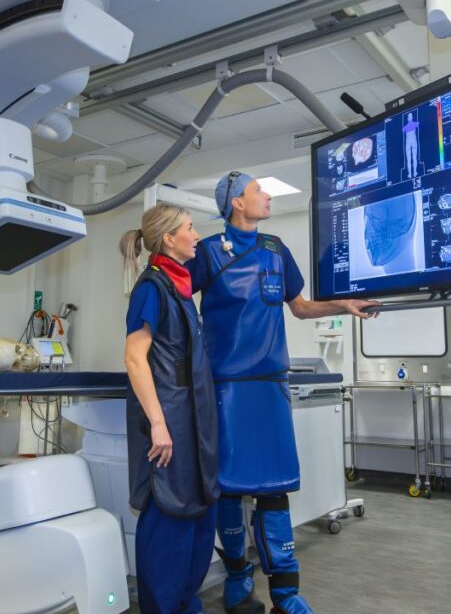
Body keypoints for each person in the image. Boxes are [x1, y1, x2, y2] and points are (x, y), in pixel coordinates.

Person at [186, 171, 379, 614]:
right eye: (258, 190)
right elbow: (175, 300)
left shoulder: (275, 250)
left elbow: (300, 306)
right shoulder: (209, 253)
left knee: (275, 488)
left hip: (270, 387)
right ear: (237, 202)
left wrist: (343, 305)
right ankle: (237, 578)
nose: (267, 195)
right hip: (227, 388)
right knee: (230, 490)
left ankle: (286, 594)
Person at [121, 204, 219, 614]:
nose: (196, 236)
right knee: (168, 521)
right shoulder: (151, 288)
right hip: (169, 427)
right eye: (190, 229)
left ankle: (185, 606)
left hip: (194, 426)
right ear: (169, 239)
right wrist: (158, 424)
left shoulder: (180, 288)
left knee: (198, 519)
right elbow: (134, 358)